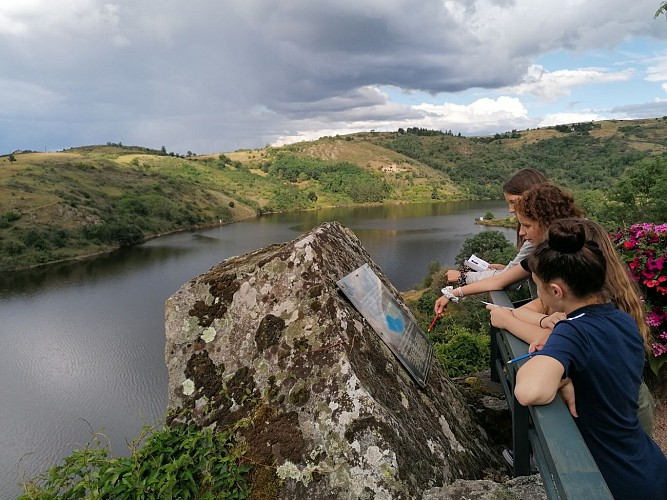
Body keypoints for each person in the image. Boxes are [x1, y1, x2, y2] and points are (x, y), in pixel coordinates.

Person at [513, 219, 667, 499]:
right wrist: (566, 372)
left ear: (556, 291)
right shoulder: (621, 319)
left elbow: (529, 391)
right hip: (647, 464)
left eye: (538, 285)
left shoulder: (572, 329)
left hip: (616, 481)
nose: (538, 292)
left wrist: (549, 367)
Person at [488, 218, 656, 435]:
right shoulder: (613, 313)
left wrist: (558, 371)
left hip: (616, 435)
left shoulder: (578, 325)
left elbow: (529, 390)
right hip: (634, 440)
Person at [434, 182, 583, 316]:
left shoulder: (571, 258)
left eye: (527, 226)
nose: (521, 233)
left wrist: (508, 320)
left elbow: (504, 281)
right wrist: (453, 293)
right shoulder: (541, 253)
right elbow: (501, 280)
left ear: (547, 222)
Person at [446, 168, 547, 287]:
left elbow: (506, 279)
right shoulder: (548, 231)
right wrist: (508, 269)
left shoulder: (538, 237)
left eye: (513, 202)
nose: (510, 209)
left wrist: (462, 277)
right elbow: (511, 274)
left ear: (531, 198)